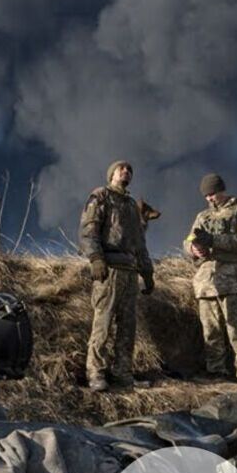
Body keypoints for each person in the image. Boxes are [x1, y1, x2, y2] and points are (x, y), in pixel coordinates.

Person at [78, 160, 153, 392]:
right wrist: (96, 259)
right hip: (108, 269)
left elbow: (140, 244)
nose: (126, 172)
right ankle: (96, 373)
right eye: (122, 168)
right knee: (103, 323)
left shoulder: (131, 205)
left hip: (130, 272)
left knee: (128, 327)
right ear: (111, 174)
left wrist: (148, 274)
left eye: (130, 169)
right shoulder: (100, 196)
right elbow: (88, 231)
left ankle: (123, 374)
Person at [186, 172, 237, 382]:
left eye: (212, 194)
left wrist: (214, 240)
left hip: (233, 280)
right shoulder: (202, 217)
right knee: (211, 331)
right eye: (206, 196)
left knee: (236, 328)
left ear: (222, 190)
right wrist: (193, 248)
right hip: (206, 283)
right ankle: (216, 371)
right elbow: (188, 240)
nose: (210, 198)